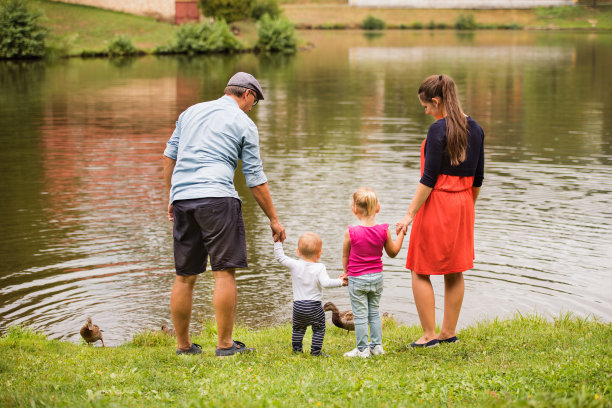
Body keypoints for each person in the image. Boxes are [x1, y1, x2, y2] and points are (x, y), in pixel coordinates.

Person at [163, 72, 286, 356]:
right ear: (247, 94)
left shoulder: (190, 112)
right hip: (218, 197)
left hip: (184, 198)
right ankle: (225, 345)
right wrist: (274, 219)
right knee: (224, 273)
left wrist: (174, 194)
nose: (251, 109)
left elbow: (170, 157)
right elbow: (255, 178)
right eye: (253, 103)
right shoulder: (244, 123)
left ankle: (184, 347)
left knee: (184, 276)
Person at [396, 74, 485, 348]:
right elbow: (478, 178)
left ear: (436, 101)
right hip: (464, 204)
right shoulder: (477, 128)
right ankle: (448, 333)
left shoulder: (437, 130)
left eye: (426, 106)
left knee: (419, 268)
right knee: (454, 269)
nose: (426, 112)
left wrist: (409, 214)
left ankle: (428, 335)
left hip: (437, 202)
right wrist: (468, 207)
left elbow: (429, 178)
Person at [341, 187, 405, 358]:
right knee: (374, 313)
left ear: (355, 209)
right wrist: (401, 235)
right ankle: (377, 347)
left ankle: (362, 350)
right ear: (377, 208)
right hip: (376, 278)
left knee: (360, 316)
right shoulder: (384, 230)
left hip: (357, 279)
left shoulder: (351, 232)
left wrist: (345, 272)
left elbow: (345, 255)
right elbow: (392, 253)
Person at [274, 232, 346, 356]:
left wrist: (278, 242)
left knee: (298, 329)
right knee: (319, 328)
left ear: (297, 251)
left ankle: (297, 350)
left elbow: (280, 257)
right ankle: (316, 351)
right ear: (319, 254)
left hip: (298, 306)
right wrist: (341, 282)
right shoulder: (320, 267)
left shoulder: (294, 264)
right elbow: (326, 283)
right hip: (314, 306)